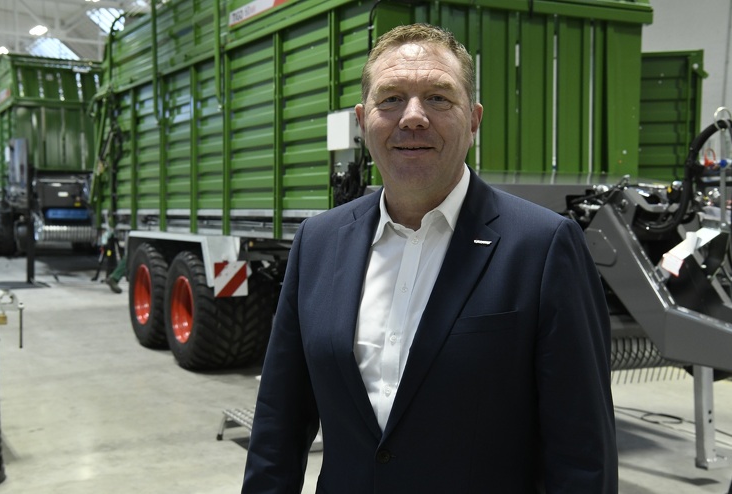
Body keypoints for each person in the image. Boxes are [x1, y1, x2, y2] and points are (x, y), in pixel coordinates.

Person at [242, 23, 617, 493]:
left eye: (438, 98)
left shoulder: (543, 247)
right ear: (363, 120)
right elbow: (278, 423)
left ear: (474, 120)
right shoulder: (318, 243)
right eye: (391, 99)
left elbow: (582, 452)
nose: (413, 117)